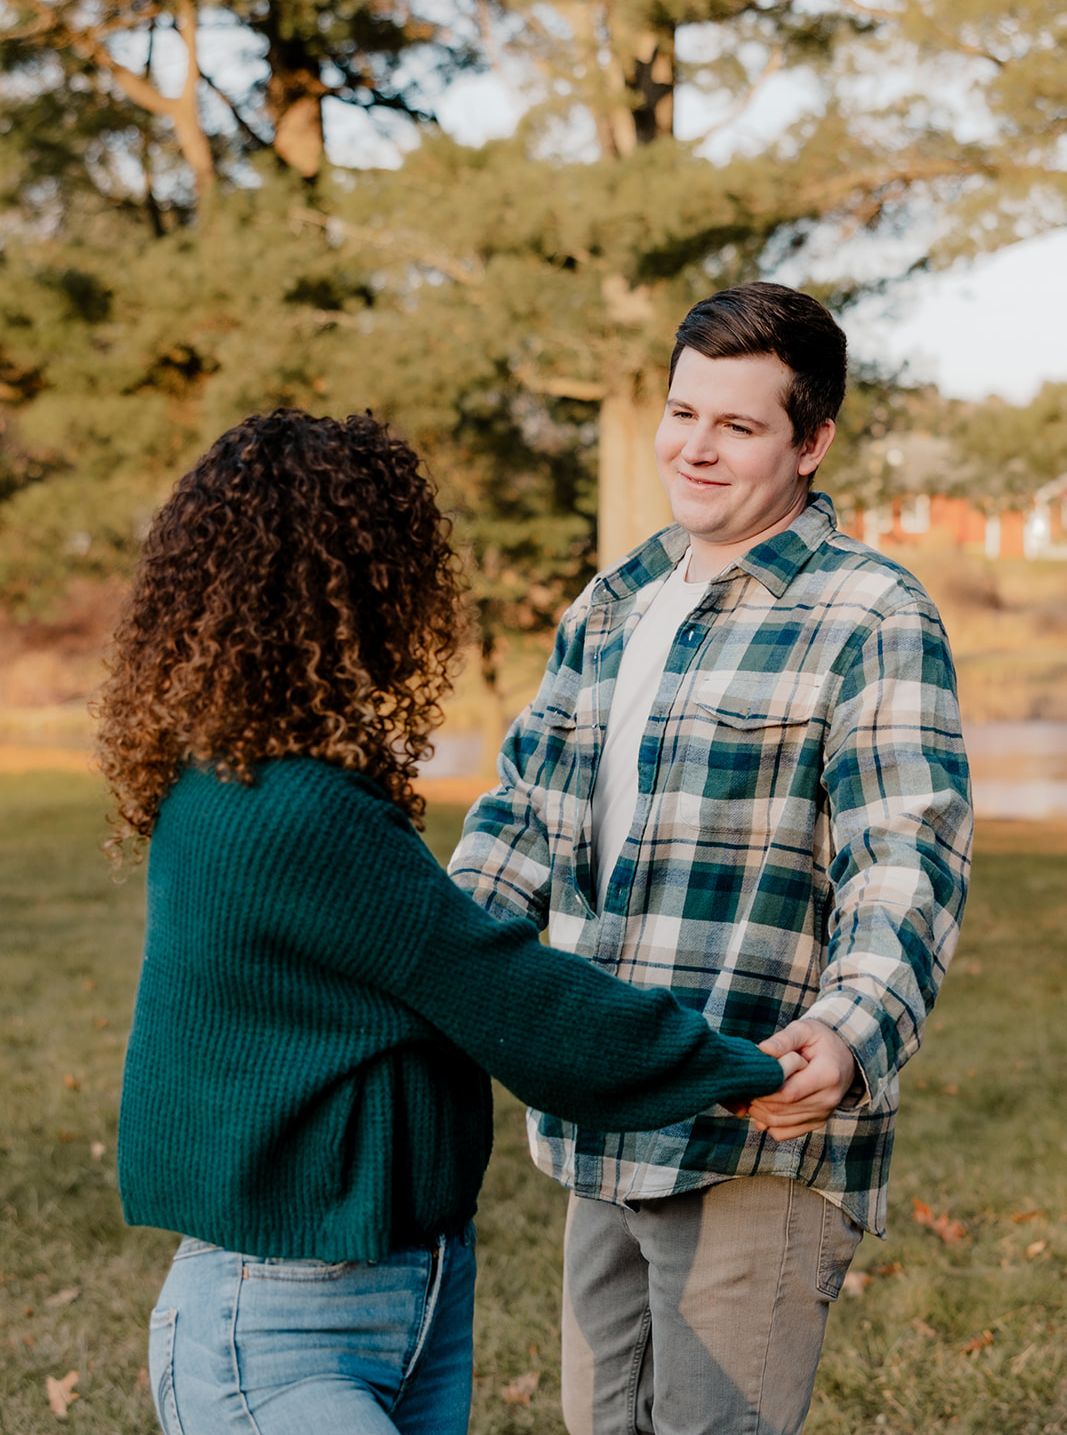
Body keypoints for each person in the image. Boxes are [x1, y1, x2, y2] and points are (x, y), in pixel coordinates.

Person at [96, 408, 797, 1435]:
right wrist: (747, 1069)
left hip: (403, 1300)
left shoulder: (242, 779)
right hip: (285, 1326)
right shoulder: (290, 811)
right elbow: (512, 998)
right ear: (355, 587)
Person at [449, 282, 972, 1435]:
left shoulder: (868, 613)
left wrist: (849, 1028)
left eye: (736, 426)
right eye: (683, 412)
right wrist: (423, 966)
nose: (694, 447)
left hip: (753, 1124)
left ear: (810, 441)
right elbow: (522, 816)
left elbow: (906, 851)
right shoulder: (613, 602)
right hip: (599, 1114)